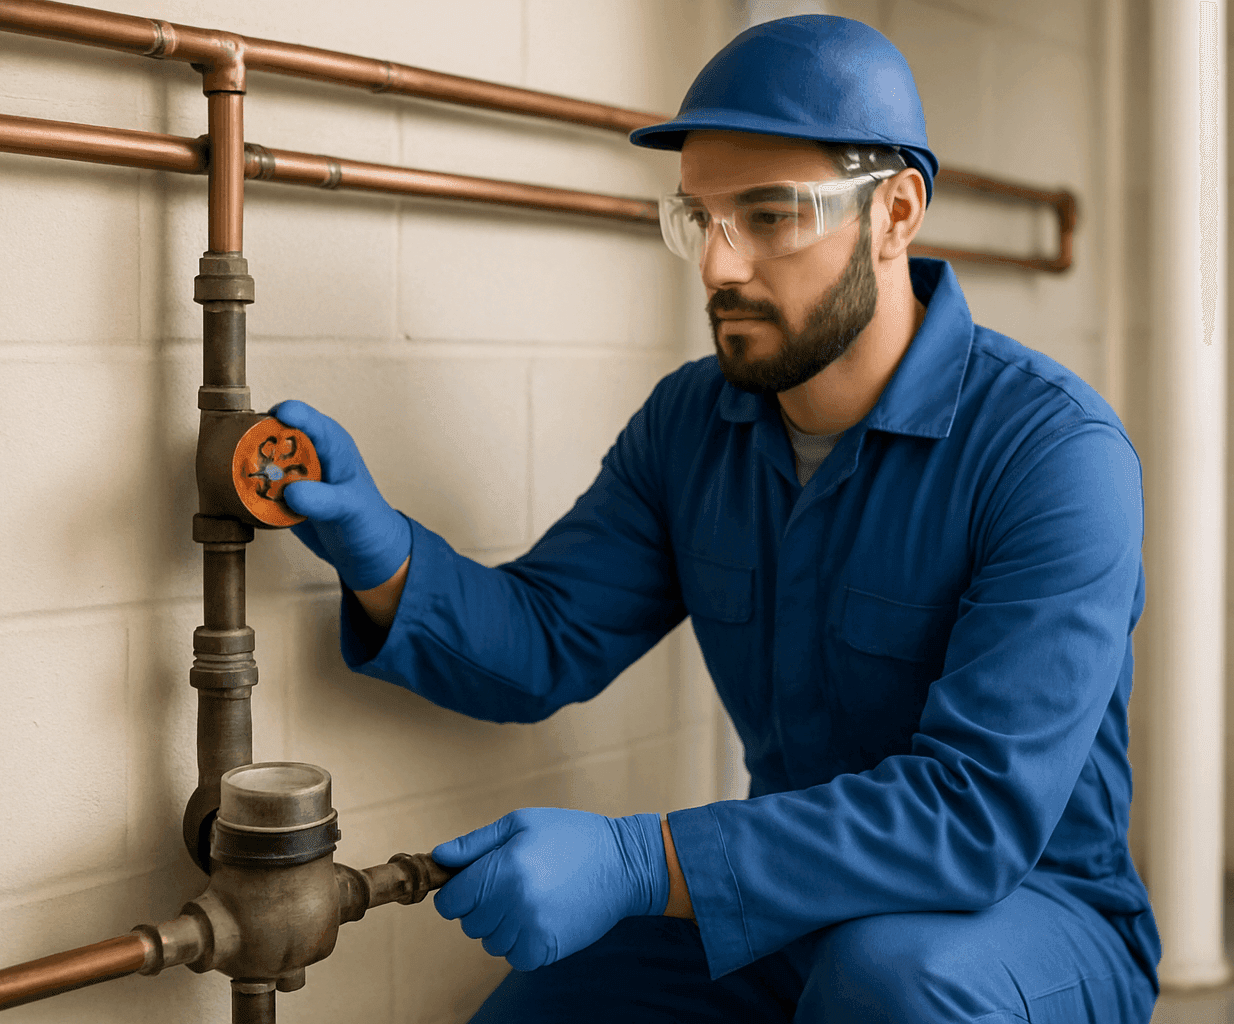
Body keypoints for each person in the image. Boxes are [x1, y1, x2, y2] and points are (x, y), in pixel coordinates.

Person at [271, 14, 1160, 1024]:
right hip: (789, 899)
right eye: (699, 217)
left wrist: (636, 861)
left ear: (896, 212)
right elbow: (548, 639)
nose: (718, 267)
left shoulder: (1053, 455)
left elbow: (973, 814)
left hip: (1028, 914)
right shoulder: (693, 425)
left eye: (771, 217)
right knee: (539, 1015)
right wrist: (377, 546)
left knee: (891, 987)